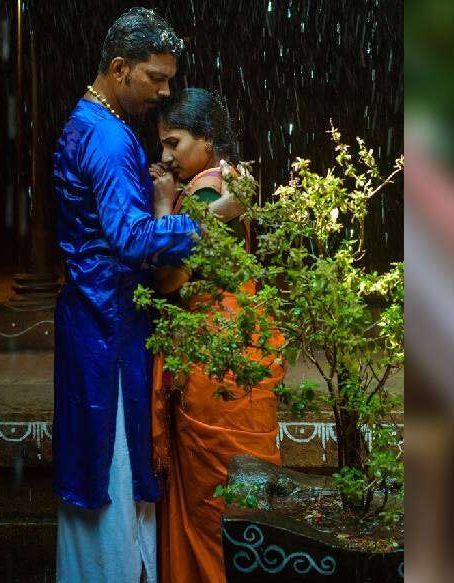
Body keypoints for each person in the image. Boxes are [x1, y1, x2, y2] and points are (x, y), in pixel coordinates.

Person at [51, 10, 242, 583]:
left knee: (105, 463)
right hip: (107, 326)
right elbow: (132, 238)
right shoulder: (109, 139)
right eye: (156, 78)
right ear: (119, 69)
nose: (164, 92)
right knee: (111, 467)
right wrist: (209, 218)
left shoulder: (90, 121)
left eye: (169, 79)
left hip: (95, 315)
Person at [150, 88, 286, 583]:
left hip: (213, 354)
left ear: (206, 139)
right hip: (241, 339)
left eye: (174, 142)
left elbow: (168, 278)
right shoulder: (229, 179)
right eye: (162, 144)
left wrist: (162, 206)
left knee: (210, 507)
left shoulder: (203, 194)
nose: (165, 156)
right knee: (236, 501)